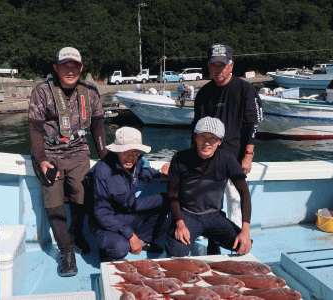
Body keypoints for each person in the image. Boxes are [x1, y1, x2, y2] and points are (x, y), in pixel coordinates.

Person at [28, 47, 107, 277]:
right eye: (65, 66)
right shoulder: (42, 92)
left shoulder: (90, 91)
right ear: (56, 68)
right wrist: (41, 159)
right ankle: (66, 251)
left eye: (75, 66)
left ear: (81, 69)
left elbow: (98, 126)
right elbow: (34, 128)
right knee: (53, 199)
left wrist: (104, 158)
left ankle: (76, 230)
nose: (70, 70)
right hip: (49, 153)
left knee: (84, 194)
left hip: (78, 151)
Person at [192, 43, 262, 254]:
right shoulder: (203, 93)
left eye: (221, 65)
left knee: (234, 201)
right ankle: (215, 242)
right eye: (213, 65)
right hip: (208, 159)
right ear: (208, 67)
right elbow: (195, 129)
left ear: (231, 65)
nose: (217, 69)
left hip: (234, 158)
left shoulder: (245, 89)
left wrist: (248, 155)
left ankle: (236, 245)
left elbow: (253, 123)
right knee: (212, 203)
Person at [166, 117, 252, 257]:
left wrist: (245, 231)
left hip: (214, 215)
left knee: (243, 245)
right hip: (188, 215)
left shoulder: (227, 159)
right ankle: (208, 239)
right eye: (202, 136)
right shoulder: (180, 158)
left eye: (213, 138)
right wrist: (180, 224)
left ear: (220, 141)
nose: (207, 142)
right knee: (177, 253)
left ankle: (214, 240)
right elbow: (172, 195)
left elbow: (244, 193)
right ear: (195, 137)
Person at [84, 127, 170, 262]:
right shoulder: (102, 171)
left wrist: (164, 173)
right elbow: (102, 214)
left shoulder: (137, 162)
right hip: (104, 222)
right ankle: (107, 254)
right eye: (126, 151)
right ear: (117, 151)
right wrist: (130, 235)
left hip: (127, 209)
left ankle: (143, 240)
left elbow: (148, 174)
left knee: (166, 199)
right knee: (120, 248)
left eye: (135, 152)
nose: (131, 157)